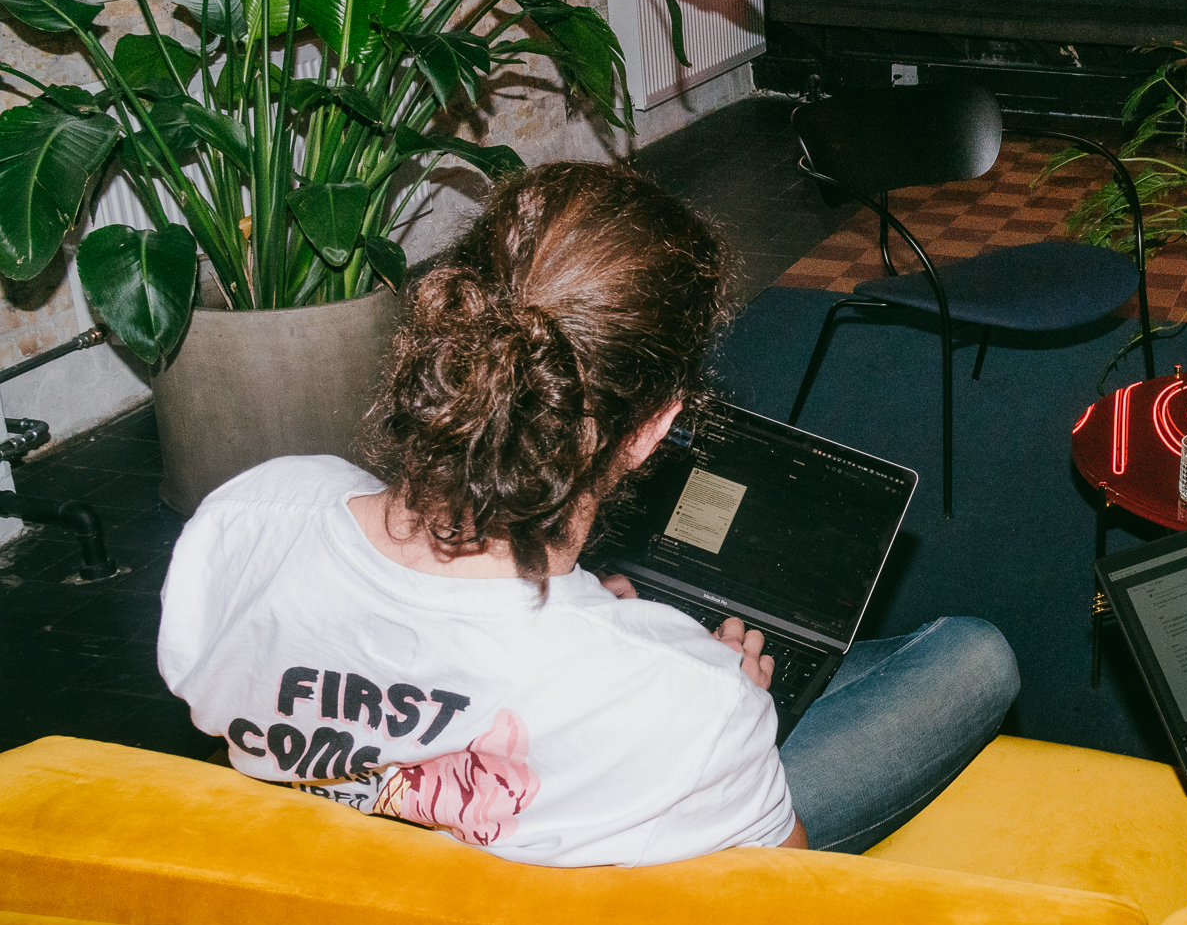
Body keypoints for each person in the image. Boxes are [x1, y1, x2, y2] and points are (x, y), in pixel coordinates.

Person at [160, 162, 1019, 864]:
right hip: (649, 774)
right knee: (974, 657)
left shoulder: (249, 513)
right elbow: (772, 891)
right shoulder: (688, 698)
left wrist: (621, 643)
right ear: (651, 429)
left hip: (345, 857)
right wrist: (732, 706)